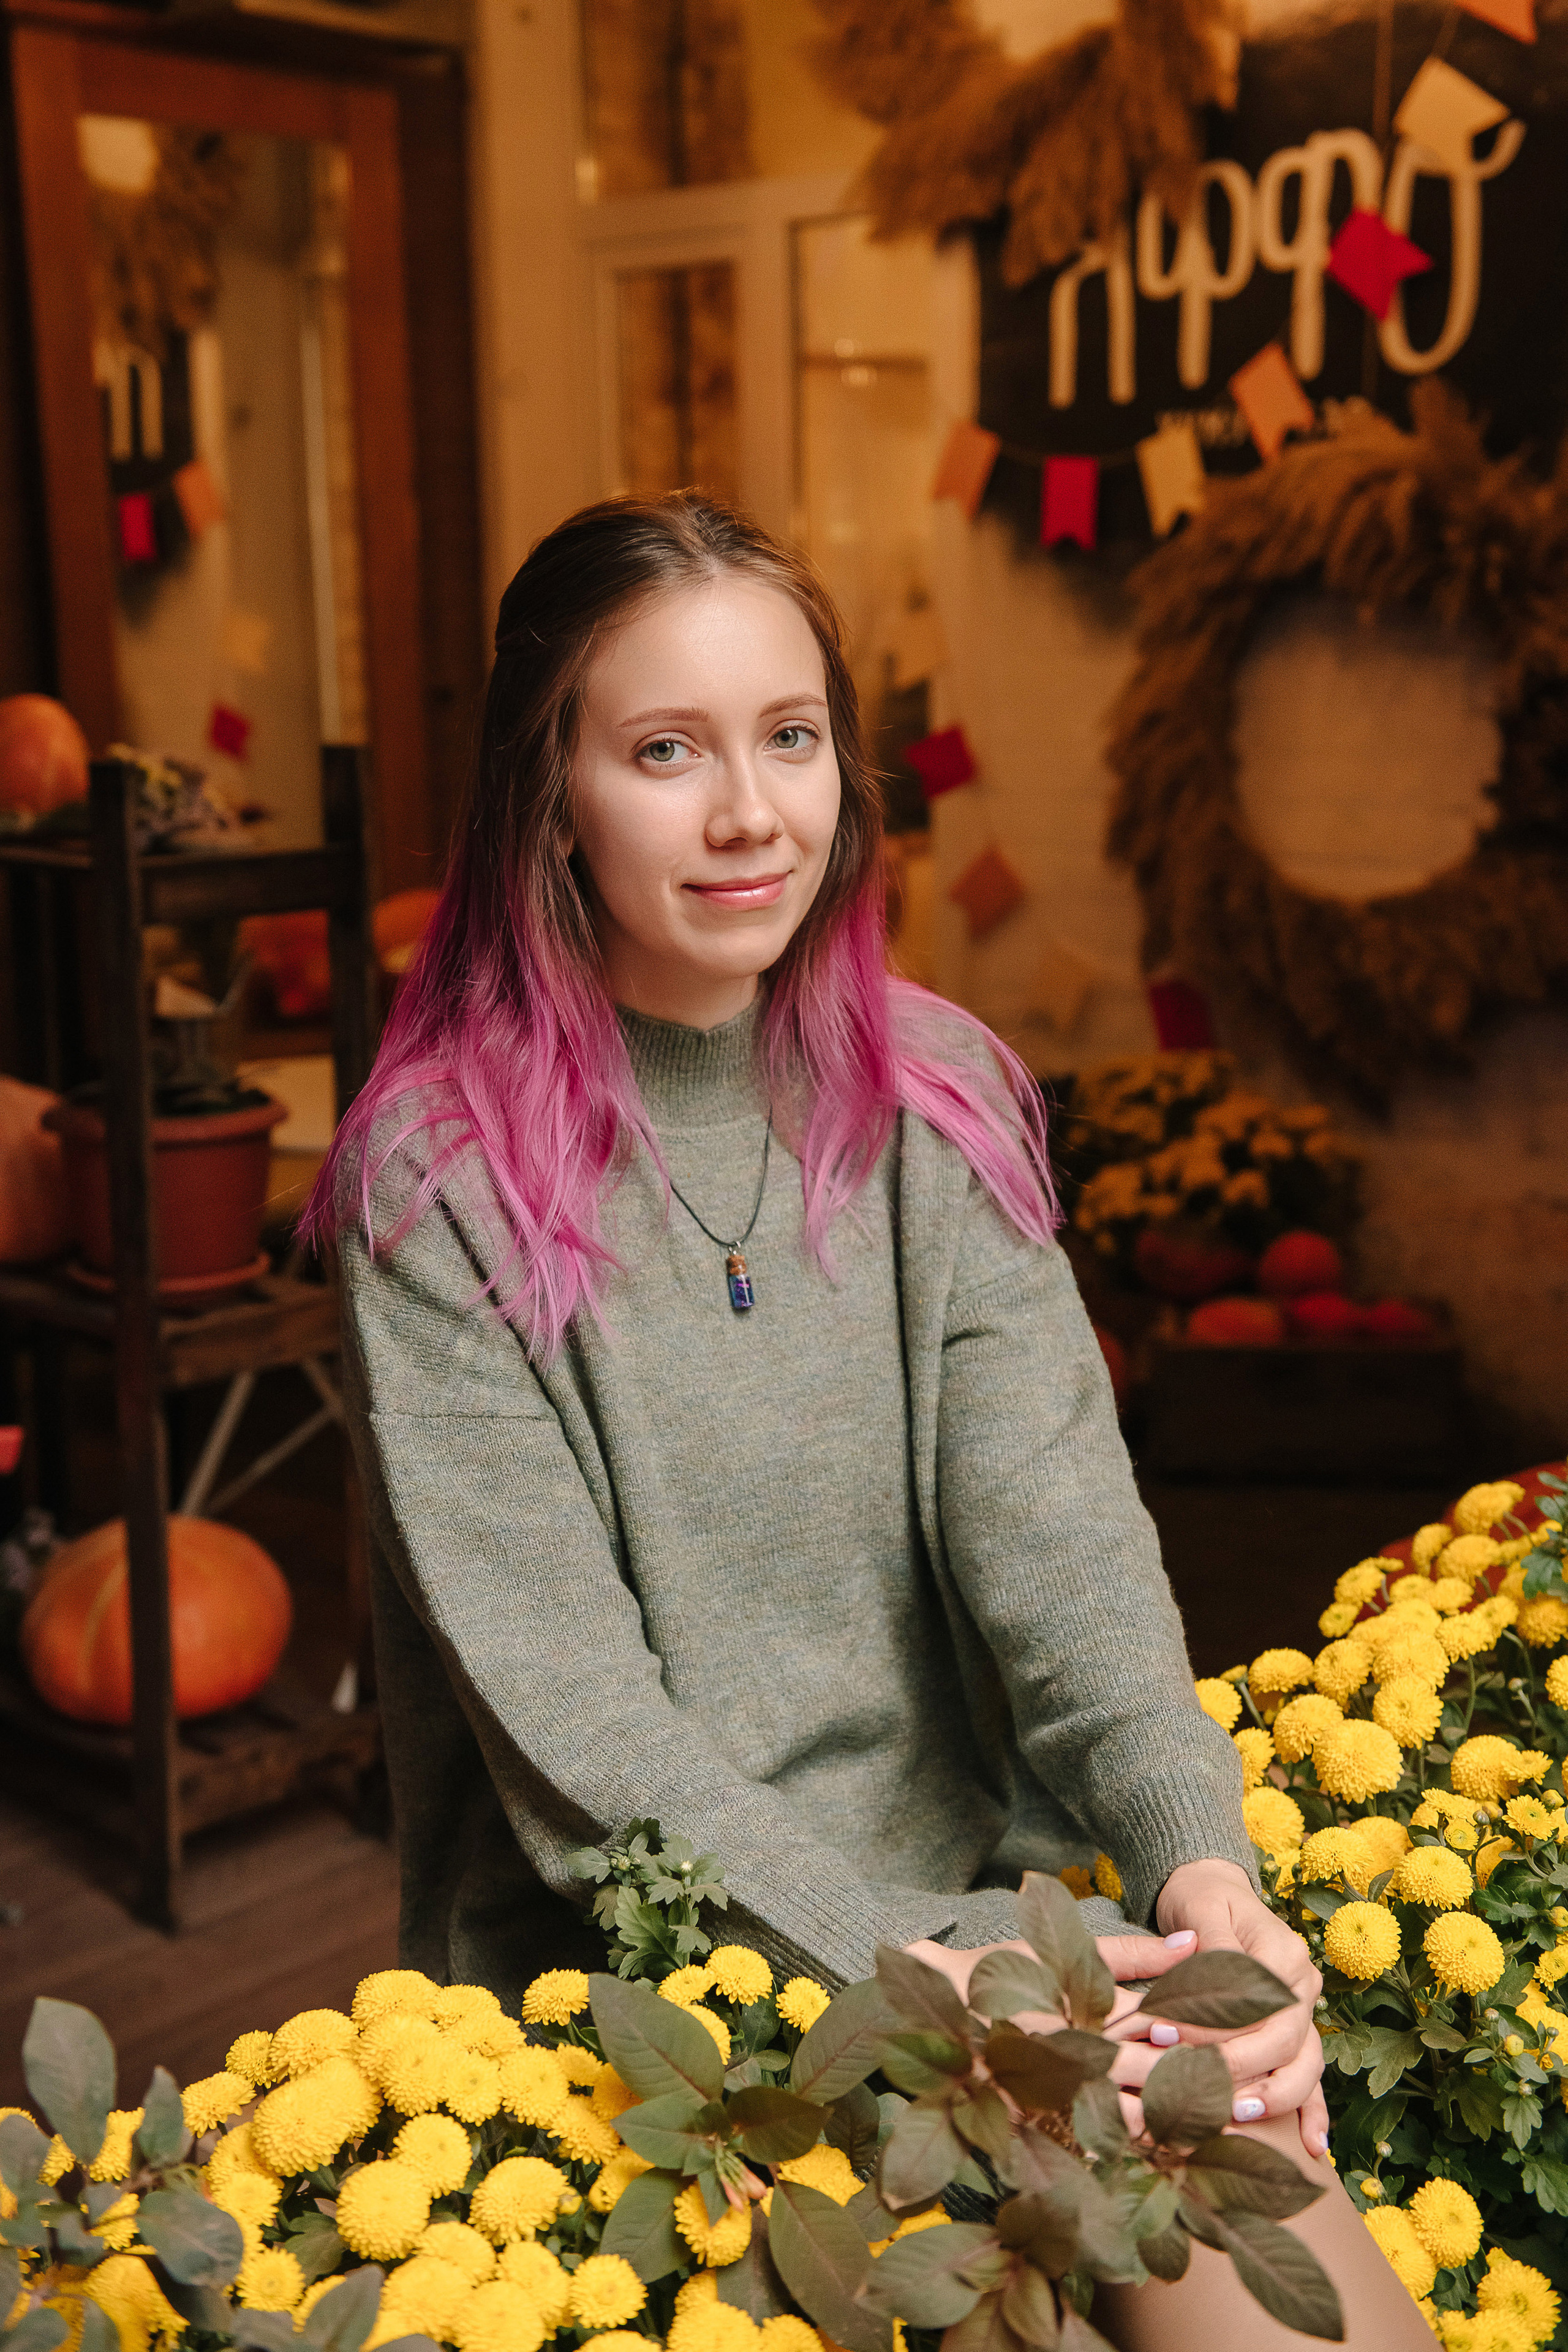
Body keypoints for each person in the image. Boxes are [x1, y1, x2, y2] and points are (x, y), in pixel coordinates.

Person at [312, 493, 1427, 2347]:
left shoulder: (941, 1102)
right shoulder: (440, 1192)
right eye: (665, 751)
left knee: (1256, 2206)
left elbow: (1065, 1550)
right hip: (646, 1986)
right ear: (549, 795)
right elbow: (590, 1749)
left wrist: (1202, 1875)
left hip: (1000, 1922)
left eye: (793, 737)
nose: (752, 813)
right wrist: (971, 1985)